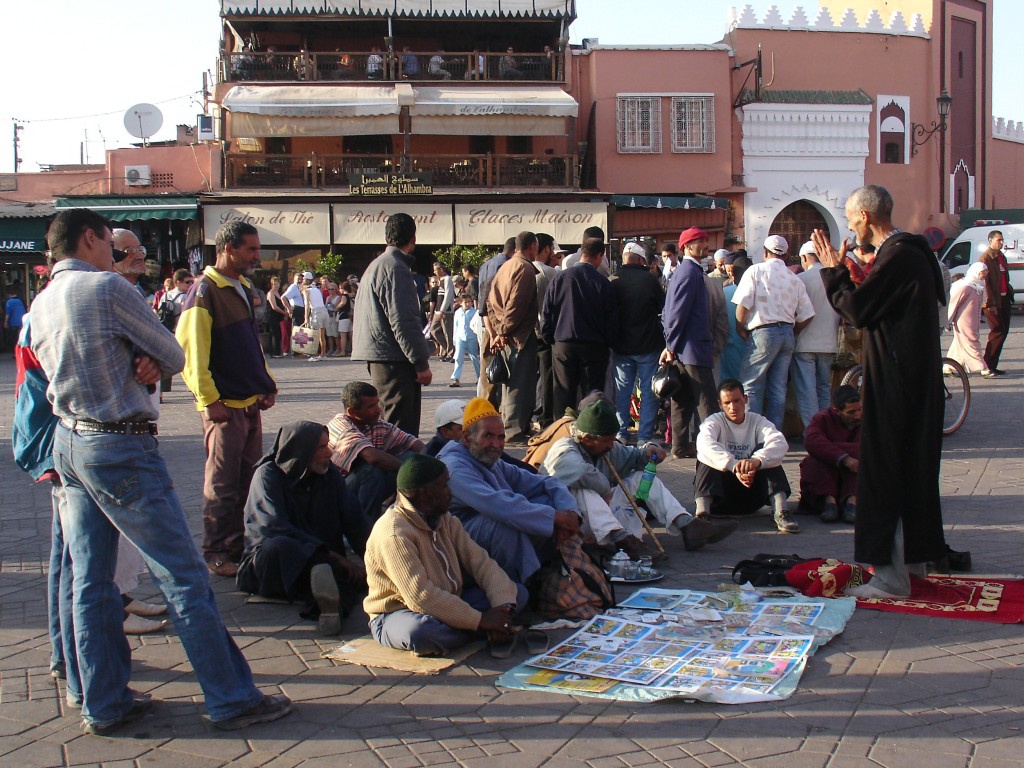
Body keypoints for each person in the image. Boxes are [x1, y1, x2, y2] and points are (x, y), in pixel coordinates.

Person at [31, 208, 291, 734]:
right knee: (183, 577)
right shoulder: (106, 288)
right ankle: (230, 696)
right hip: (121, 445)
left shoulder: (41, 303)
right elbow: (172, 352)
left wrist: (139, 356)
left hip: (70, 442)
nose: (118, 255)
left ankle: (101, 701)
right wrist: (144, 357)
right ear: (90, 239)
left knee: (91, 581)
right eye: (112, 244)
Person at [812, 184, 947, 598]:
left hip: (898, 384)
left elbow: (858, 309)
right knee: (913, 472)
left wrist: (835, 271)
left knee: (885, 473)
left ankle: (891, 578)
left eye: (851, 218)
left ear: (866, 218)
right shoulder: (910, 253)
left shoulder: (900, 254)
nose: (850, 226)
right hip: (913, 380)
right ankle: (914, 564)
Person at [176, 220, 278, 578]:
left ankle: (238, 546)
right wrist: (209, 400)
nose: (256, 256)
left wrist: (265, 384)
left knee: (247, 481)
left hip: (249, 402)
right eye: (250, 249)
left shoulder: (244, 286)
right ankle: (216, 552)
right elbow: (191, 353)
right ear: (227, 249)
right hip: (225, 407)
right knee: (221, 484)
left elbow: (251, 346)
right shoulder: (205, 291)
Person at [364, 454, 527, 656]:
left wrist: (502, 609)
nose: (450, 493)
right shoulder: (394, 533)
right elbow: (420, 597)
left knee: (516, 593)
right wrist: (481, 620)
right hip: (399, 614)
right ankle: (482, 629)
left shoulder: (445, 519)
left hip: (449, 601)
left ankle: (482, 627)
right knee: (422, 633)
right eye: (444, 486)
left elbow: (481, 563)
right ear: (424, 494)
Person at [542, 400, 737, 556]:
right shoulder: (564, 448)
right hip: (571, 520)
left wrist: (647, 452)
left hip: (600, 516)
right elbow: (581, 472)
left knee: (640, 476)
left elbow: (631, 456)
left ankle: (687, 525)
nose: (612, 445)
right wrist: (604, 489)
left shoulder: (607, 448)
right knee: (585, 489)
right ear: (587, 439)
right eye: (607, 441)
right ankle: (621, 541)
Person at [237, 421, 370, 635]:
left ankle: (330, 606)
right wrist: (333, 557)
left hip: (326, 559)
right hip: (274, 562)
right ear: (301, 450)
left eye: (329, 445)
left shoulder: (330, 475)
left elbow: (355, 520)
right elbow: (274, 526)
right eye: (321, 447)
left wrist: (377, 559)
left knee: (336, 574)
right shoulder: (267, 475)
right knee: (281, 545)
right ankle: (329, 588)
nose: (330, 452)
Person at [438, 398, 581, 583]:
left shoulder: (489, 460)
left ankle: (547, 569)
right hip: (459, 541)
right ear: (467, 437)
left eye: (501, 437)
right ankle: (527, 582)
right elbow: (499, 506)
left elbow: (547, 483)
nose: (497, 445)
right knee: (506, 525)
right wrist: (555, 517)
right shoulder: (454, 468)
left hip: (494, 522)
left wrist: (569, 513)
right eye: (488, 436)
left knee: (547, 499)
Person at [352, 213, 433, 435]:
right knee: (399, 430)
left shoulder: (377, 264)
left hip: (381, 354)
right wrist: (420, 362)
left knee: (389, 425)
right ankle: (398, 470)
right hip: (394, 358)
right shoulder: (395, 267)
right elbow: (404, 320)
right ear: (413, 238)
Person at [732, 234, 815, 430]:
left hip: (763, 331)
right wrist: (793, 331)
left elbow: (743, 305)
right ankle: (773, 435)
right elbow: (808, 314)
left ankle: (750, 434)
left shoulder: (756, 271)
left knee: (751, 385)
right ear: (785, 255)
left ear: (765, 252)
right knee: (778, 389)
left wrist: (740, 328)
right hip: (786, 331)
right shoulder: (793, 278)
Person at [694, 380, 797, 533]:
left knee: (770, 456)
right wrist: (734, 466)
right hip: (720, 499)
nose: (732, 407)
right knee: (706, 457)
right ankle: (701, 517)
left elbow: (779, 442)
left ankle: (781, 512)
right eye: (727, 402)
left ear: (745, 399)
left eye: (737, 401)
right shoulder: (714, 422)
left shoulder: (758, 421)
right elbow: (704, 443)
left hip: (752, 496)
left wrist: (756, 461)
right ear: (720, 404)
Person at [542, 237, 618, 420]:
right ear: (600, 255)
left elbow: (547, 312)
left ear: (581, 253)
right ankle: (590, 431)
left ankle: (562, 431)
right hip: (594, 345)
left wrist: (549, 337)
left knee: (563, 392)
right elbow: (612, 319)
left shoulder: (559, 278)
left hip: (563, 342)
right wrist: (610, 342)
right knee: (591, 394)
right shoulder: (602, 283)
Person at [660, 227, 719, 459]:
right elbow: (675, 313)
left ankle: (680, 446)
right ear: (686, 246)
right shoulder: (689, 272)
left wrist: (672, 346)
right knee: (706, 402)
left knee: (682, 400)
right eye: (699, 241)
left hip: (684, 348)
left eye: (705, 240)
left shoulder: (688, 271)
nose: (705, 244)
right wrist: (670, 346)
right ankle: (714, 448)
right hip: (692, 348)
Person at [328, 381, 425, 521]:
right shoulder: (341, 427)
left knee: (412, 458)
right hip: (338, 492)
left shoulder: (374, 423)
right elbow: (373, 457)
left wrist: (432, 462)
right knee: (372, 471)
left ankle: (410, 514)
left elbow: (411, 441)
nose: (378, 410)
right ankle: (365, 527)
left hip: (367, 485)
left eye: (377, 403)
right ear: (352, 412)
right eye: (371, 406)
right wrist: (411, 471)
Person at [487, 231, 541, 444]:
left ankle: (514, 426)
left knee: (509, 383)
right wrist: (503, 332)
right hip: (519, 335)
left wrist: (498, 330)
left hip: (506, 332)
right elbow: (516, 306)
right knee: (519, 384)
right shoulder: (525, 268)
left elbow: (490, 302)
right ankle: (513, 430)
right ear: (532, 247)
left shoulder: (506, 266)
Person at [610, 241, 665, 446]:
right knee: (649, 391)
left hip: (621, 346)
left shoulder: (614, 280)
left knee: (622, 391)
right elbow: (663, 307)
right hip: (648, 345)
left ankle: (621, 432)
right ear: (641, 260)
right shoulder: (650, 281)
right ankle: (644, 436)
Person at [791, 240, 841, 432]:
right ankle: (827, 429)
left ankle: (813, 432)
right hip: (828, 343)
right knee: (824, 390)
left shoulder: (801, 280)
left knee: (807, 392)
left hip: (804, 342)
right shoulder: (833, 278)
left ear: (804, 258)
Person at [798, 385, 861, 524]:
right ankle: (828, 501)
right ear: (837, 411)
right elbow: (812, 441)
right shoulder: (822, 419)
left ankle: (852, 502)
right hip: (829, 470)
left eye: (859, 410)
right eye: (851, 412)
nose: (857, 415)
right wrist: (843, 458)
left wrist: (837, 449)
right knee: (814, 460)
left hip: (855, 473)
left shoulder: (867, 419)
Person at [426, 398, 536, 473]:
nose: (469, 434)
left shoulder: (475, 446)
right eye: (462, 429)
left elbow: (509, 464)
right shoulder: (435, 459)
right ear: (445, 432)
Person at [476, 237, 515, 405]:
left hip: (486, 325)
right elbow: (488, 299)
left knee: (488, 372)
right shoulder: (503, 266)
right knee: (495, 372)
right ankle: (489, 411)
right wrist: (494, 333)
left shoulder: (487, 264)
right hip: (494, 327)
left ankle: (488, 407)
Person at [532, 233, 561, 429]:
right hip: (545, 332)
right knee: (547, 376)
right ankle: (546, 417)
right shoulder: (549, 273)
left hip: (527, 332)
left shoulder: (523, 269)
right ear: (546, 249)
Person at [945, 262, 990, 374]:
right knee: (971, 341)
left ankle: (948, 367)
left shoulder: (977, 285)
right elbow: (953, 303)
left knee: (959, 343)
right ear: (976, 272)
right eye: (983, 272)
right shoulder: (965, 286)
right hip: (964, 321)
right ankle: (983, 368)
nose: (985, 274)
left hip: (974, 320)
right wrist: (948, 321)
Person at [979, 230, 1011, 376]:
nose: (1001, 243)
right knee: (997, 332)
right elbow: (985, 283)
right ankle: (986, 365)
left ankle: (993, 364)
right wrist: (989, 303)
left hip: (1004, 298)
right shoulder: (986, 258)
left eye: (1002, 240)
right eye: (998, 240)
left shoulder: (1001, 256)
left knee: (1003, 331)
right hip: (993, 301)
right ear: (990, 240)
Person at [718, 255, 750, 382]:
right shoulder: (762, 291)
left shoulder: (724, 293)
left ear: (733, 275)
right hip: (754, 347)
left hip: (729, 349)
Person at [450, 292, 479, 387]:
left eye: (469, 302)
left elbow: (477, 326)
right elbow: (455, 326)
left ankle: (480, 377)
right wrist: (454, 338)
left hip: (471, 338)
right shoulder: (458, 312)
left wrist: (478, 338)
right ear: (461, 303)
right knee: (458, 357)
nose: (468, 304)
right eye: (465, 302)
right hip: (460, 337)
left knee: (474, 357)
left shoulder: (474, 312)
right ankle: (455, 378)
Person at [301, 271, 329, 362]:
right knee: (322, 335)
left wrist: (306, 318)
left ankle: (314, 355)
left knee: (314, 335)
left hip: (316, 312)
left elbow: (307, 305)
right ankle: (323, 354)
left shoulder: (306, 290)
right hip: (324, 311)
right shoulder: (316, 289)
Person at [431, 261, 456, 361]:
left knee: (447, 332)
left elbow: (449, 295)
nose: (434, 272)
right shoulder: (440, 280)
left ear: (441, 269)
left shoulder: (447, 279)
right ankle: (447, 349)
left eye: (435, 270)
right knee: (434, 330)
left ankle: (450, 353)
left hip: (446, 311)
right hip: (438, 310)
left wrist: (443, 310)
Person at [266, 275, 291, 357]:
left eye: (278, 283)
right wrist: (284, 313)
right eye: (274, 284)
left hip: (279, 316)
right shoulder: (270, 293)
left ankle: (278, 352)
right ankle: (273, 353)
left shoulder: (279, 293)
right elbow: (274, 307)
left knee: (279, 333)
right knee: (274, 333)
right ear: (272, 284)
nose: (276, 285)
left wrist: (286, 311)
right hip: (272, 315)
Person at [5, 286, 26, 353]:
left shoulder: (9, 302)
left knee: (13, 338)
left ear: (9, 294)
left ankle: (15, 352)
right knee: (19, 337)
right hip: (21, 322)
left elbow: (8, 313)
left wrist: (5, 322)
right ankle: (20, 351)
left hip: (13, 322)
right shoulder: (20, 301)